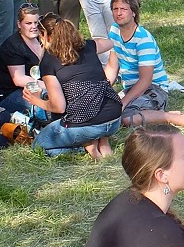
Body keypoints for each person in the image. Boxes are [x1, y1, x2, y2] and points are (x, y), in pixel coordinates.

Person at [27, 15, 121, 159]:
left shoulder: (49, 61)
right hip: (114, 118)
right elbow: (110, 43)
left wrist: (36, 101)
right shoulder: (88, 46)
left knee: (39, 146)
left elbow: (59, 107)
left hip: (85, 123)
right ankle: (102, 138)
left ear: (46, 36)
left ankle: (85, 146)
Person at [107, 0, 184, 128]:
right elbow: (112, 67)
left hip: (154, 89)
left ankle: (169, 117)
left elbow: (146, 80)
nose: (119, 13)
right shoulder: (114, 31)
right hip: (131, 88)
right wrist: (101, 90)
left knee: (126, 119)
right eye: (115, 9)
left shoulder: (143, 40)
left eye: (124, 9)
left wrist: (124, 102)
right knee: (107, 113)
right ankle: (154, 113)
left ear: (133, 12)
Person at [0, 3, 46, 118]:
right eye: (28, 23)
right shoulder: (12, 45)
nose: (34, 27)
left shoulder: (43, 38)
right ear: (19, 24)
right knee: (46, 109)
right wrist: (49, 86)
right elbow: (19, 79)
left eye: (36, 22)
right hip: (11, 93)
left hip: (39, 87)